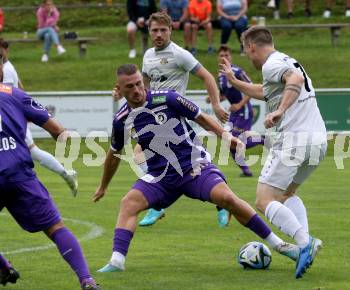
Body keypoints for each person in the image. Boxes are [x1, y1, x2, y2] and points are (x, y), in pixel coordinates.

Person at [94, 64, 301, 274]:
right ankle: (117, 261)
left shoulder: (167, 98)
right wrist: (103, 186)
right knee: (128, 203)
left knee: (227, 198)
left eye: (139, 83)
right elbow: (113, 154)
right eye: (130, 86)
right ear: (119, 89)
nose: (137, 90)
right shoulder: (121, 119)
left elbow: (201, 118)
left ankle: (280, 246)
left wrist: (227, 137)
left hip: (194, 167)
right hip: (161, 177)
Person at [219, 26, 326, 278]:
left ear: (252, 46)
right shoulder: (286, 60)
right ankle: (304, 246)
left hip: (294, 139)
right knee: (287, 194)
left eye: (246, 52)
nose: (248, 57)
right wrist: (236, 82)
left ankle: (305, 242)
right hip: (317, 140)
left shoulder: (272, 64)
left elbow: (295, 82)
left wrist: (280, 111)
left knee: (264, 200)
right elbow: (266, 91)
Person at [0, 58, 100, 290]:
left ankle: (4, 267)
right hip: (19, 173)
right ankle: (87, 280)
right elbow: (57, 131)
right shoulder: (17, 95)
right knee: (56, 228)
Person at [137, 12, 229, 227]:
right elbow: (145, 84)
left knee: (196, 162)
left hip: (175, 117)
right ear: (149, 31)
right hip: (154, 117)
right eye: (154, 30)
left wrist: (215, 104)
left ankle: (222, 203)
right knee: (143, 155)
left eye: (162, 30)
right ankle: (158, 206)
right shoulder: (148, 55)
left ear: (171, 30)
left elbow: (206, 76)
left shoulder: (180, 55)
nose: (158, 34)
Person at [0, 38, 78, 196]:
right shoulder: (9, 66)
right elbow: (20, 88)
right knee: (32, 152)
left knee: (29, 152)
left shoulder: (6, 69)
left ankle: (63, 174)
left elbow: (6, 93)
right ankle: (65, 173)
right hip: (11, 117)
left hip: (9, 121)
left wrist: (21, 111)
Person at [216, 45, 264, 177]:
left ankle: (262, 139)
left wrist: (239, 104)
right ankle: (246, 172)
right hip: (235, 113)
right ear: (218, 58)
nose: (224, 58)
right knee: (229, 141)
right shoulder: (220, 76)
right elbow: (223, 95)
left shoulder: (237, 71)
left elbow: (252, 88)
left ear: (231, 57)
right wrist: (214, 99)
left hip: (244, 111)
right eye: (221, 55)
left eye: (226, 55)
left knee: (237, 142)